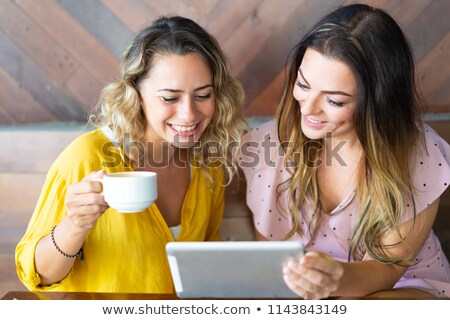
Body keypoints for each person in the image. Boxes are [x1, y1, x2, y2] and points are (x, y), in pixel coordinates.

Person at [16, 16, 247, 293]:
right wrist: (75, 224)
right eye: (170, 98)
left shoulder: (208, 165)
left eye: (203, 95)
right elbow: (38, 276)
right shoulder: (87, 156)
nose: (189, 113)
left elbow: (205, 264)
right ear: (136, 95)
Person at [239, 3, 450, 299]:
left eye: (335, 101)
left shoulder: (419, 154)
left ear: (376, 103)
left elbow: (388, 270)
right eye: (303, 84)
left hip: (404, 286)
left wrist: (336, 281)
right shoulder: (265, 146)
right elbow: (274, 259)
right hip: (312, 297)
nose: (309, 109)